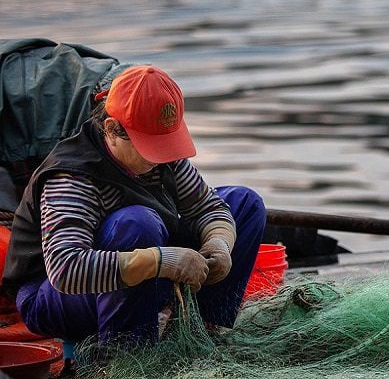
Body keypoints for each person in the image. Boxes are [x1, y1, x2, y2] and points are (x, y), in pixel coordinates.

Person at [0, 65, 266, 347]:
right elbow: (66, 269)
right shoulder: (72, 178)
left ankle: (205, 330)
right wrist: (160, 261)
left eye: (165, 143)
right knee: (137, 223)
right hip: (54, 295)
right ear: (112, 130)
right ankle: (127, 351)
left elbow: (208, 207)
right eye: (150, 147)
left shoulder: (164, 157)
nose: (161, 157)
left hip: (140, 268)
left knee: (245, 203)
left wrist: (219, 244)